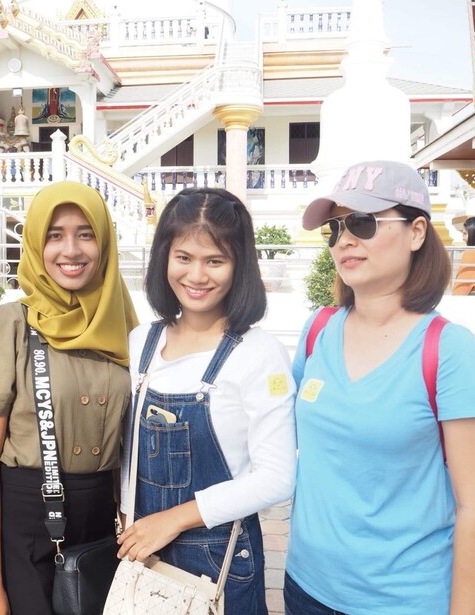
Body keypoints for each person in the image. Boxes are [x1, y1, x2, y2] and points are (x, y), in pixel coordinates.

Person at [285, 161, 475, 615]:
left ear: (417, 232)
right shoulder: (318, 329)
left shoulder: (450, 351)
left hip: (402, 600)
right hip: (305, 586)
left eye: (362, 222)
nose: (344, 240)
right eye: (335, 228)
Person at [0, 181, 138, 615]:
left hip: (100, 525)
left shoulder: (124, 327)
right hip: (26, 524)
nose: (70, 250)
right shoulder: (12, 324)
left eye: (85, 234)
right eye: (55, 235)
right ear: (37, 243)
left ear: (104, 242)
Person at [117, 187, 297, 613]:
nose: (196, 276)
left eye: (215, 261)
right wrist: (128, 514)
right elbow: (130, 453)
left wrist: (172, 520)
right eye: (184, 257)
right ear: (164, 257)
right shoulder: (142, 341)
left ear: (239, 266)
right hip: (142, 548)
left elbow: (276, 478)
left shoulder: (259, 354)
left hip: (219, 560)